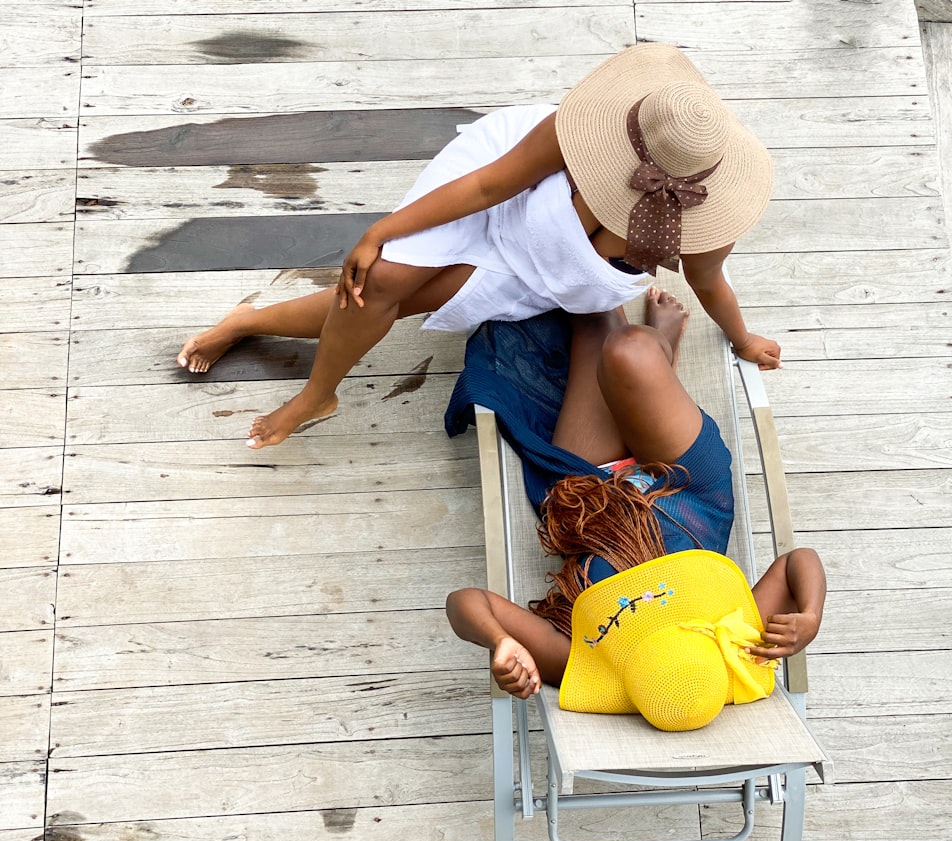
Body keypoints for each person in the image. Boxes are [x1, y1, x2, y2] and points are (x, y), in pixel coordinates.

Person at [176, 44, 782, 449]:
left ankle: (249, 320)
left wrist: (742, 336)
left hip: (543, 272)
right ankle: (318, 393)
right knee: (382, 275)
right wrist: (381, 230)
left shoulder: (702, 223)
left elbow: (707, 282)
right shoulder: (573, 136)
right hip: (501, 193)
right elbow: (490, 183)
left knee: (397, 294)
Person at [445, 288, 825, 731]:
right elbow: (799, 561)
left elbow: (465, 602)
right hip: (689, 489)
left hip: (592, 497)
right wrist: (811, 616)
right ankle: (662, 347)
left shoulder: (582, 661)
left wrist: (500, 642)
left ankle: (655, 359)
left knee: (599, 317)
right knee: (632, 350)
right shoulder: (740, 643)